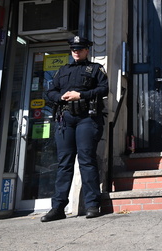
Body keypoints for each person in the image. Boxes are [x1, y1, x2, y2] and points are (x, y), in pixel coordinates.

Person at [41, 36, 109, 222]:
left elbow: (104, 89)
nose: (76, 51)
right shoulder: (63, 70)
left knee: (87, 161)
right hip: (66, 119)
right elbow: (50, 91)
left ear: (87, 50)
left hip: (87, 118)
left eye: (79, 49)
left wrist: (81, 95)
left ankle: (92, 205)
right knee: (64, 164)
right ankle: (58, 208)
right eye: (73, 49)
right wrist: (61, 97)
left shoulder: (95, 69)